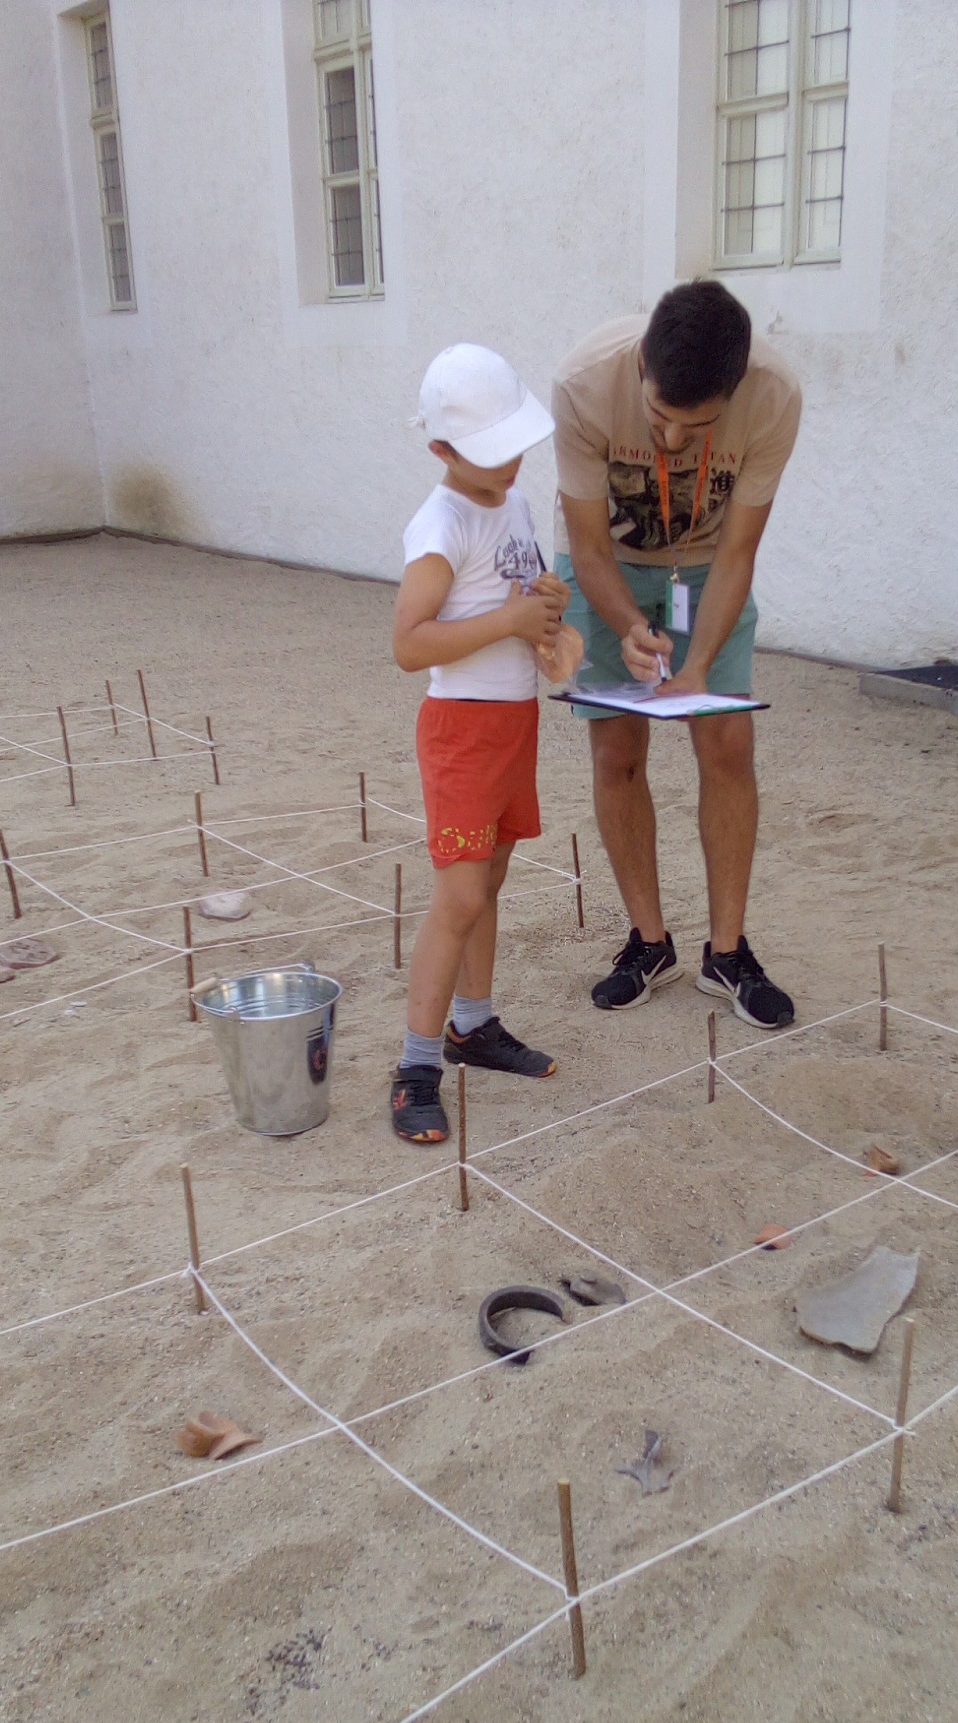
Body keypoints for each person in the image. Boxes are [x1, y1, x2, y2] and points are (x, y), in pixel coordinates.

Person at [552, 279, 801, 1030]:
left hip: (706, 568)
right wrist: (628, 624)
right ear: (640, 372)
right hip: (609, 565)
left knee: (727, 741)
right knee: (615, 749)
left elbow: (738, 551)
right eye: (658, 417)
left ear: (735, 390)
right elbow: (589, 545)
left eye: (695, 429)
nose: (669, 442)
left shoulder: (776, 395)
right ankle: (648, 942)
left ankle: (727, 954)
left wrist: (694, 673)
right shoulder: (583, 384)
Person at [390, 343, 571, 1144]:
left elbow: (517, 597)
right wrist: (507, 619)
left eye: (514, 446)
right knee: (459, 896)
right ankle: (416, 1064)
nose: (508, 463)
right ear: (442, 451)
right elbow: (410, 642)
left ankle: (473, 1025)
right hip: (461, 729)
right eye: (488, 452)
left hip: (513, 723)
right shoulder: (441, 523)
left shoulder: (516, 505)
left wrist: (544, 603)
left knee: (490, 881)